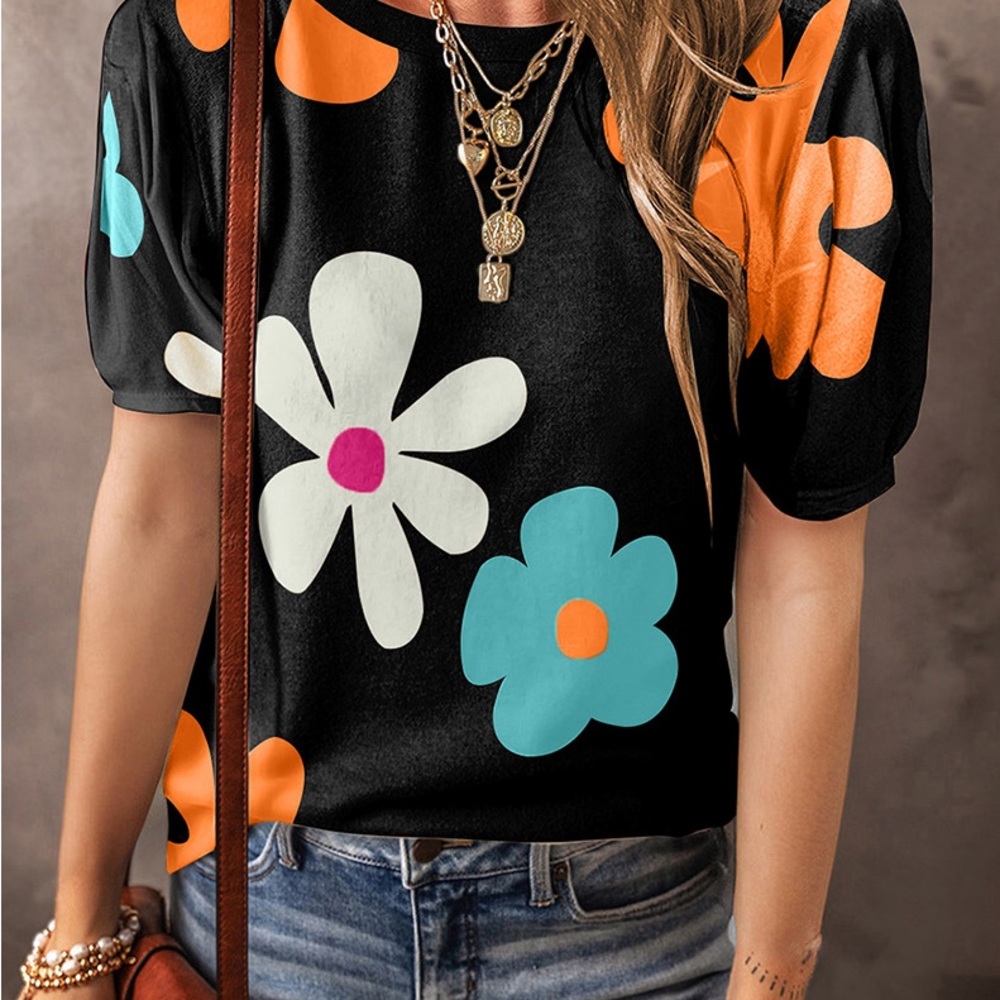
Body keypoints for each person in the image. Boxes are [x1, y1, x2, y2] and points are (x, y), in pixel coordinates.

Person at [20, 0, 932, 995]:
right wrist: (81, 928)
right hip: (280, 916)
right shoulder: (206, 37)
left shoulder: (793, 52)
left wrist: (767, 981)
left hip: (633, 928)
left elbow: (800, 561)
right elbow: (163, 505)